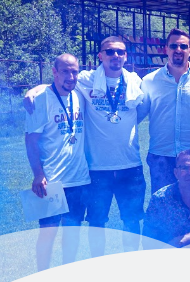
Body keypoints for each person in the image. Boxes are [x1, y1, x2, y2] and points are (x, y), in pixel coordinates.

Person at [23, 36, 147, 255]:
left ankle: (131, 263)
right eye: (110, 51)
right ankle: (94, 266)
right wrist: (32, 91)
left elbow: (143, 111)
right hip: (96, 169)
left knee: (131, 220)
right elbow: (58, 81)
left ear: (126, 56)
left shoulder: (135, 82)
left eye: (120, 51)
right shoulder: (86, 79)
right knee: (96, 222)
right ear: (100, 56)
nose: (115, 55)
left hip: (129, 166)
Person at [24, 54, 90, 271]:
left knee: (72, 233)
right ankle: (42, 276)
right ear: (54, 72)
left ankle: (67, 275)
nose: (71, 77)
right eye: (65, 71)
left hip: (79, 178)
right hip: (51, 181)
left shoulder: (79, 94)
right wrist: (38, 174)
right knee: (48, 233)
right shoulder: (41, 99)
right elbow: (31, 140)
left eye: (74, 71)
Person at [141, 28, 190, 196]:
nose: (178, 50)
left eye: (183, 46)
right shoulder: (150, 81)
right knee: (162, 207)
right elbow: (135, 115)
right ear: (166, 49)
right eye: (174, 46)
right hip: (161, 156)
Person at [143, 149, 190, 249]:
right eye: (185, 168)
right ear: (176, 173)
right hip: (165, 249)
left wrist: (182, 240)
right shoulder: (160, 198)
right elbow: (148, 238)